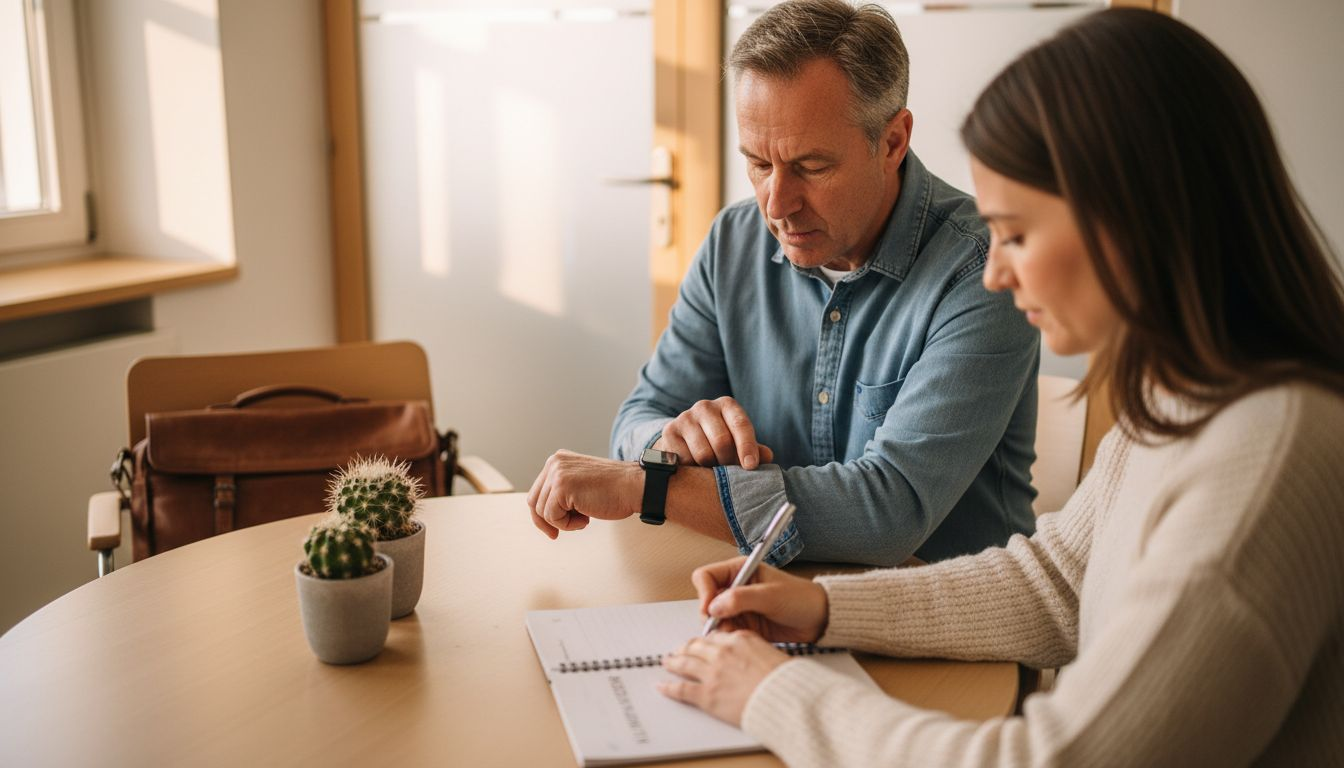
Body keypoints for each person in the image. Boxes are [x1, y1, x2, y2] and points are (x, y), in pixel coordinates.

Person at [656, 8, 1344, 765]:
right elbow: (1057, 585)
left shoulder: (1264, 457)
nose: (994, 272)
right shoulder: (1188, 400)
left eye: (1016, 234)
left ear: (1134, 220)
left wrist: (771, 694)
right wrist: (820, 607)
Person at [527, 0, 1039, 567]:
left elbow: (888, 514)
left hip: (949, 624)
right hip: (765, 600)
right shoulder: (734, 242)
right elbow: (638, 417)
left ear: (893, 141)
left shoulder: (985, 269)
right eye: (759, 164)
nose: (777, 205)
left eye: (812, 167)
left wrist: (650, 486)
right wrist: (668, 445)